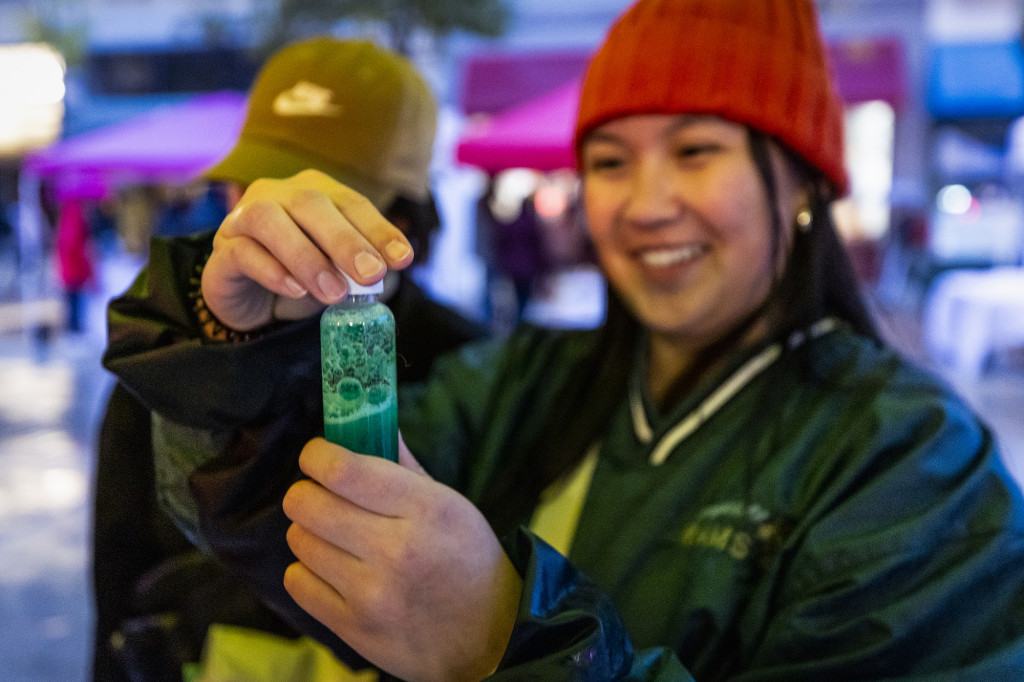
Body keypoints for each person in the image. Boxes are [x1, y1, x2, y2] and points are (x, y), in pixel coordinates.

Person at [103, 0, 1024, 679]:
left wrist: (510, 639)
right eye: (610, 161)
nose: (647, 203)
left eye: (696, 150)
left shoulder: (914, 463)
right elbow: (290, 518)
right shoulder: (520, 380)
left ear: (800, 183)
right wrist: (233, 348)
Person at [91, 37, 487, 682]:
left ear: (405, 215)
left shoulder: (472, 367)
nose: (271, 217)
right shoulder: (175, 358)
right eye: (251, 184)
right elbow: (118, 584)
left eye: (326, 195)